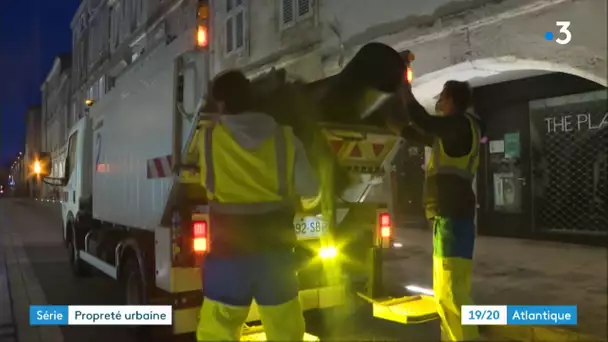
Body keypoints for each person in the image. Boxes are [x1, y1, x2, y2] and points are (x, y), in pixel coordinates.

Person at [195, 70, 319, 341]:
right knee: (286, 334)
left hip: (229, 257)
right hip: (276, 258)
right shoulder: (285, 138)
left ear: (222, 104)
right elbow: (311, 192)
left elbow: (208, 185)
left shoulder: (208, 139)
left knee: (218, 333)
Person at [388, 80, 482, 341]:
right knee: (455, 292)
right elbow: (419, 133)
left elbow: (426, 123)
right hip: (455, 217)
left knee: (450, 294)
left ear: (451, 99)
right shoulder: (459, 131)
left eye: (442, 97)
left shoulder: (458, 125)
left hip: (452, 219)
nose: (439, 103)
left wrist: (404, 88)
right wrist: (391, 123)